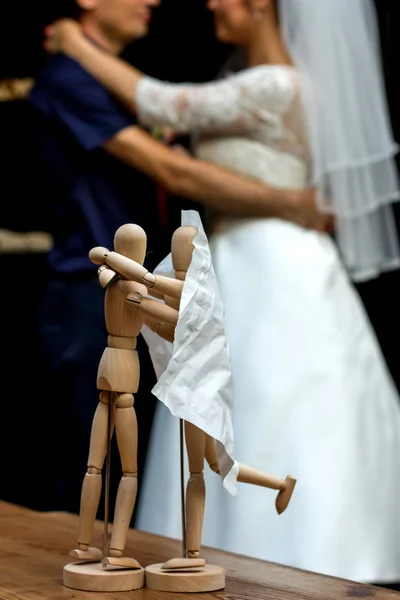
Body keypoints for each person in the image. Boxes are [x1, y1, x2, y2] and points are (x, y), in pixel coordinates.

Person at [43, 0, 400, 584]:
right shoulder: (273, 84)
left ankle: (288, 543)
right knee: (247, 395)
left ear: (263, 7)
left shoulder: (275, 84)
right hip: (254, 258)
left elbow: (158, 103)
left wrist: (73, 42)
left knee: (260, 392)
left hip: (267, 263)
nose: (210, 2)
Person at [29, 0, 326, 515]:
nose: (153, 1)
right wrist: (294, 204)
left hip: (144, 289)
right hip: (92, 293)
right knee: (88, 459)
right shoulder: (73, 80)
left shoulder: (116, 83)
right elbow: (173, 170)